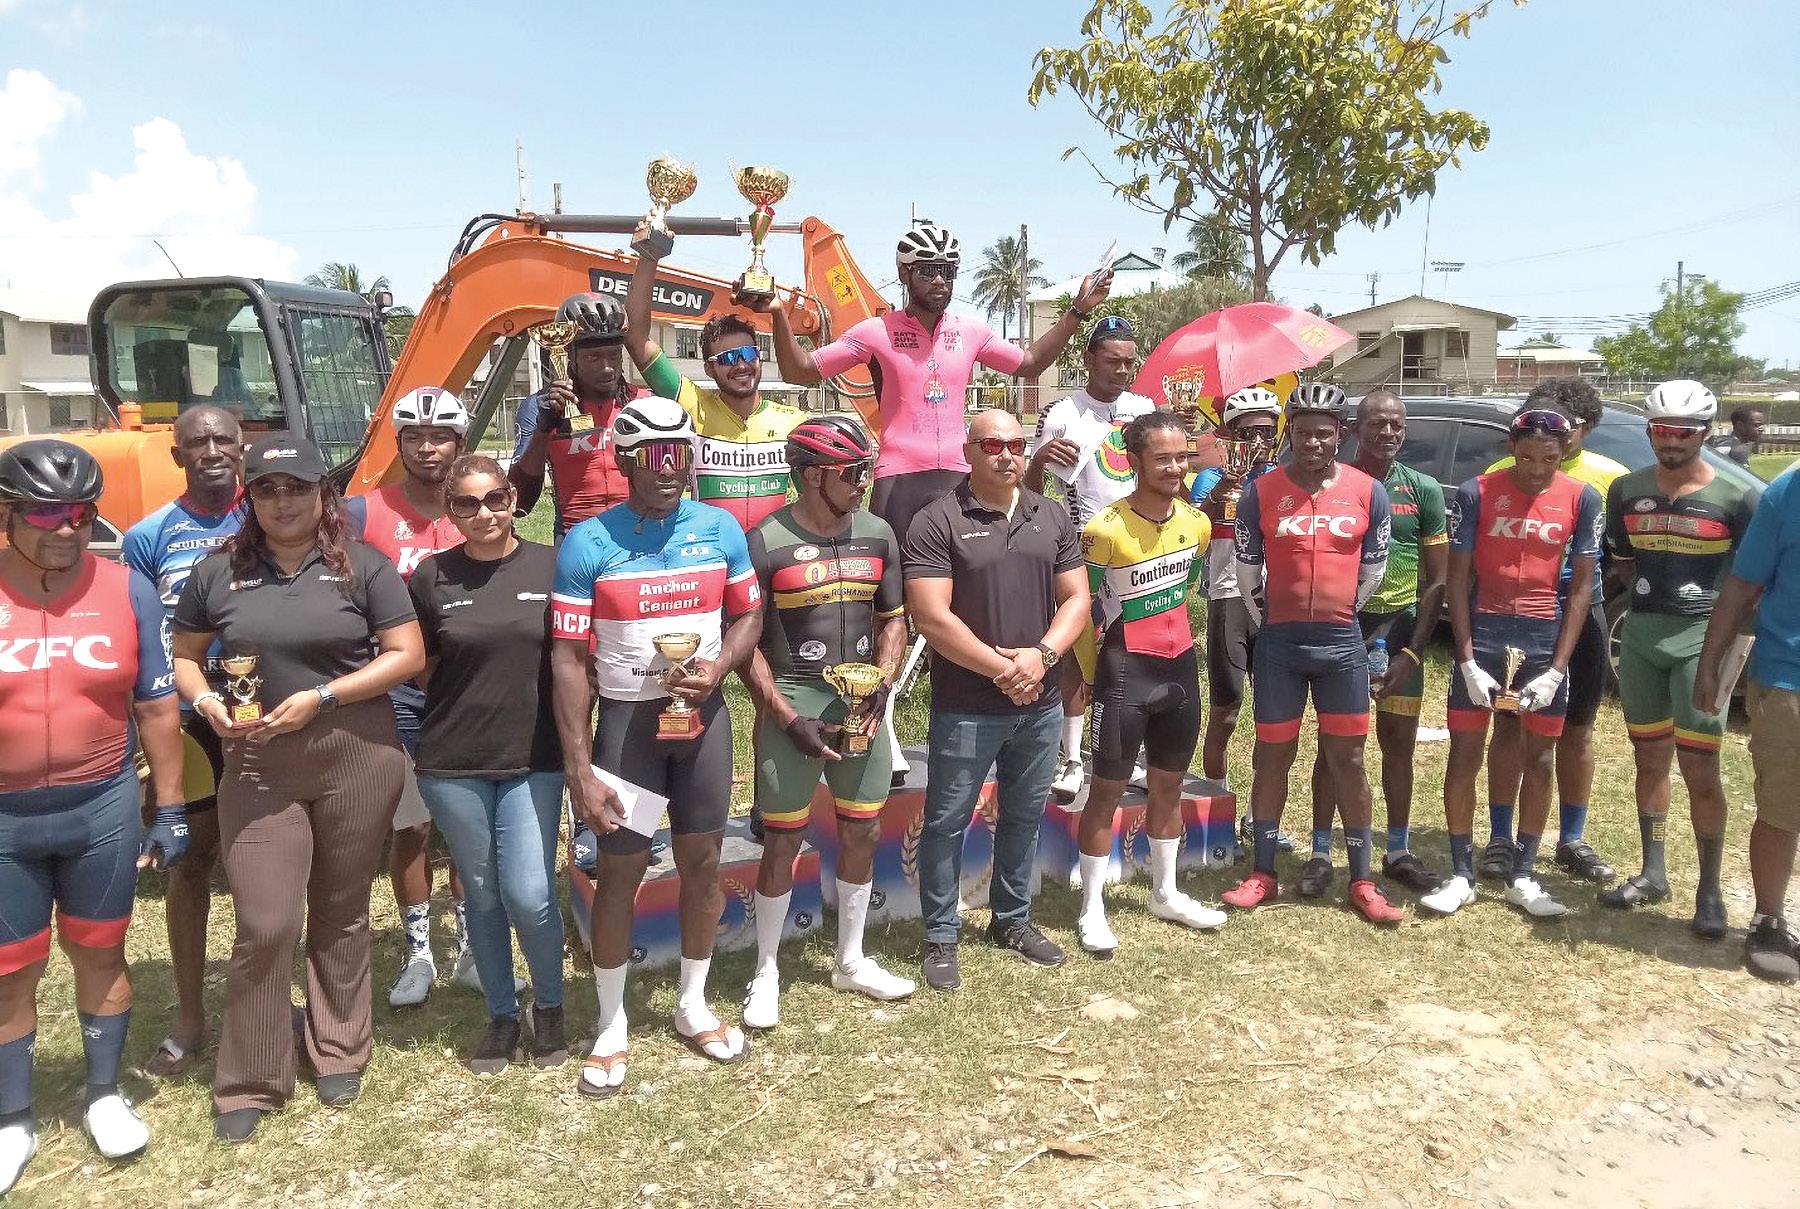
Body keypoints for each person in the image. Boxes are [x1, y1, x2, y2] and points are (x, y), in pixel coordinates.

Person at [172, 435, 424, 1142]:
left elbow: (407, 653)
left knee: (342, 907)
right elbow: (185, 656)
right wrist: (204, 699)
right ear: (249, 498)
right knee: (265, 920)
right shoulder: (217, 572)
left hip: (357, 753)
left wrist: (325, 696)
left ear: (322, 494)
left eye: (296, 487)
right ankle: (251, 1076)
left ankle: (339, 1045)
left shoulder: (364, 567)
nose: (281, 501)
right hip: (259, 763)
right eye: (266, 489)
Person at [550, 397, 764, 1096]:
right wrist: (579, 769)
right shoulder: (587, 542)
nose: (671, 468)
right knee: (621, 872)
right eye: (655, 456)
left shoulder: (719, 526)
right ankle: (611, 1020)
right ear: (625, 459)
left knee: (703, 863)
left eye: (682, 454)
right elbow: (567, 661)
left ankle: (691, 1002)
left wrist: (721, 665)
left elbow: (749, 611)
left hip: (703, 723)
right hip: (628, 729)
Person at [0, 441, 187, 1192]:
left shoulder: (128, 588)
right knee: (11, 971)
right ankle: (12, 1117)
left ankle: (104, 1094)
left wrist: (170, 807)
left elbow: (158, 707)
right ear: (8, 514)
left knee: (101, 953)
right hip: (5, 819)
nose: (67, 528)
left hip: (100, 806)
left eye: (80, 513)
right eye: (45, 514)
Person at [762, 220, 1113, 537]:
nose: (940, 280)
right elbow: (800, 371)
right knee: (897, 586)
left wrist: (1078, 310)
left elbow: (1030, 363)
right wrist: (778, 313)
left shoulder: (971, 332)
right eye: (927, 270)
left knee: (962, 582)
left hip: (959, 476)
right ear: (904, 273)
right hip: (899, 479)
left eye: (947, 271)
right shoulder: (875, 332)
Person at [903, 409, 1090, 991]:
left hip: (1040, 701)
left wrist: (1043, 657)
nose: (1006, 455)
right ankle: (940, 934)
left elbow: (1077, 599)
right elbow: (931, 617)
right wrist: (1007, 668)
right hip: (966, 703)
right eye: (991, 445)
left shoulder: (1050, 514)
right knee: (946, 821)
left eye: (1015, 444)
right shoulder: (936, 519)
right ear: (969, 451)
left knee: (1024, 815)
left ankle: (1012, 920)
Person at [740, 417, 915, 1028]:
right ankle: (767, 970)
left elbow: (893, 619)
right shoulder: (765, 539)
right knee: (783, 839)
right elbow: (746, 644)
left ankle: (851, 958)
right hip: (794, 700)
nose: (864, 481)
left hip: (862, 704)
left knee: (863, 830)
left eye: (866, 470)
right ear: (814, 476)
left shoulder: (878, 533)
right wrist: (786, 717)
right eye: (853, 472)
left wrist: (883, 685)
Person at [1220, 384, 1403, 925]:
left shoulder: (1369, 491)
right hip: (1279, 645)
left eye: (1324, 433)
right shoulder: (1260, 492)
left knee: (1349, 759)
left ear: (1340, 434)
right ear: (1290, 434)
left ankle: (1362, 879)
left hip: (1341, 645)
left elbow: (1373, 570)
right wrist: (1271, 622)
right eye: (1303, 433)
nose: (1313, 443)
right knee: (1272, 756)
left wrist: (1340, 613)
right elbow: (1248, 573)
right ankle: (1263, 871)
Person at [408, 455, 567, 1074]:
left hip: (536, 756)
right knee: (482, 893)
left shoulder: (552, 565)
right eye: (467, 504)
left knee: (530, 893)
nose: (484, 513)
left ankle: (549, 1004)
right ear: (450, 511)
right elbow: (422, 665)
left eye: (495, 499)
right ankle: (502, 1015)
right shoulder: (431, 577)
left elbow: (574, 660)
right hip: (453, 761)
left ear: (514, 500)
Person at [343, 386, 488, 1009]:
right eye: (415, 437)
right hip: (397, 691)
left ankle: (474, 946)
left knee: (471, 827)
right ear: (398, 443)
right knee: (413, 825)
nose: (428, 448)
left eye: (440, 437)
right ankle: (420, 951)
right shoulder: (360, 512)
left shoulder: (478, 507)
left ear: (459, 443)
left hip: (469, 687)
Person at [1428, 408, 1603, 920]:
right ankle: (1462, 873)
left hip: (1543, 635)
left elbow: (1581, 589)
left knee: (1540, 758)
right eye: (1526, 457)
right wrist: (1465, 659)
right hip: (1485, 631)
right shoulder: (1476, 492)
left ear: (1565, 451)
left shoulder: (1582, 497)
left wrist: (1558, 668)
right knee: (1464, 753)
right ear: (1511, 448)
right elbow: (1456, 579)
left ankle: (1524, 874)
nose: (1536, 469)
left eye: (1549, 459)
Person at [1601, 381, 1758, 938]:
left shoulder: (1739, 497)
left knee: (1701, 768)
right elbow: (1622, 562)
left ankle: (1709, 890)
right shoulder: (1626, 490)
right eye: (1662, 430)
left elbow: (1749, 582)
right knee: (1648, 759)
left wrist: (1724, 648)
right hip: (1642, 637)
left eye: (1684, 432)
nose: (1671, 441)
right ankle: (1654, 872)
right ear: (1650, 431)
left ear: (1706, 433)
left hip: (1702, 639)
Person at [121, 405, 244, 1077]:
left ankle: (267, 1002)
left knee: (267, 861)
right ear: (178, 456)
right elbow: (141, 637)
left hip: (265, 712)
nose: (212, 450)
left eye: (224, 438)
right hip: (190, 719)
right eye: (198, 442)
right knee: (191, 863)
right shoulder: (149, 536)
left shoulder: (273, 512)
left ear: (243, 447)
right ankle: (191, 1016)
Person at [1074, 410, 1225, 953]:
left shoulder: (1197, 523)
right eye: (1162, 459)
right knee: (1106, 790)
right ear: (1134, 461)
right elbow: (1082, 610)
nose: (1176, 468)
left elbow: (1185, 588)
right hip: (1125, 672)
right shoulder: (1104, 529)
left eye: (1182, 457)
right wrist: (1089, 675)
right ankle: (1091, 908)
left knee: (1169, 785)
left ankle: (1166, 892)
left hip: (1180, 668)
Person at [1482, 379, 1628, 887]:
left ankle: (1572, 838)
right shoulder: (1499, 473)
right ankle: (1501, 836)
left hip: (1581, 612)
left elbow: (1620, 553)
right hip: (1516, 615)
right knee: (1508, 725)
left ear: (1581, 430)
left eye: (1569, 428)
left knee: (1577, 727)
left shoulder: (1608, 477)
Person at [1306, 391, 1449, 899]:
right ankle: (1320, 852)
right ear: (1354, 431)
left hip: (1402, 629)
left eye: (1396, 425)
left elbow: (1437, 581)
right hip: (1345, 628)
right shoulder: (1335, 484)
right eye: (1376, 424)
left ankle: (1398, 850)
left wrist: (1413, 652)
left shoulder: (1423, 489)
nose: (1388, 432)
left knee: (1398, 744)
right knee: (1335, 747)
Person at [1025, 316, 1156, 802]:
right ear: (1088, 359)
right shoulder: (1062, 413)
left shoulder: (1144, 409)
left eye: (1129, 363)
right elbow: (1030, 493)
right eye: (1112, 361)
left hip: (1141, 546)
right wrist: (1039, 461)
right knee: (1078, 653)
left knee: (1135, 654)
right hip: (1081, 548)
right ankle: (1072, 758)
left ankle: (1129, 756)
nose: (1122, 371)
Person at [624, 225, 808, 531]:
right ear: (709, 369)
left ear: (759, 357)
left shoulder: (793, 421)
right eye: (727, 359)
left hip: (769, 553)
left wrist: (778, 311)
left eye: (747, 354)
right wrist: (649, 256)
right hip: (711, 549)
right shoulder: (693, 405)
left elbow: (812, 502)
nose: (741, 365)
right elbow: (636, 340)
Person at [1695, 468, 1800, 981]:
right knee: (1782, 805)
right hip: (1789, 678)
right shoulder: (1789, 491)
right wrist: (1710, 662)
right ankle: (1769, 920)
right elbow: (1743, 582)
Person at [1189, 388, 1285, 840]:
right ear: (1230, 435)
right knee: (1225, 712)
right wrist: (1222, 491)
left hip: (1277, 602)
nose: (1259, 440)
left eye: (1266, 430)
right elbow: (1193, 532)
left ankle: (1260, 816)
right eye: (1248, 433)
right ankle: (1218, 810)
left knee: (1274, 717)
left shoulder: (1285, 478)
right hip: (1228, 597)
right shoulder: (1211, 478)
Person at [509, 292, 647, 537]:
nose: (607, 368)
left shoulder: (646, 402)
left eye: (613, 355)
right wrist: (544, 430)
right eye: (593, 357)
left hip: (639, 535)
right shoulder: (539, 406)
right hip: (575, 537)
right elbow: (520, 503)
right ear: (569, 355)